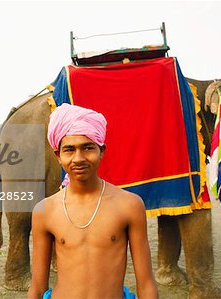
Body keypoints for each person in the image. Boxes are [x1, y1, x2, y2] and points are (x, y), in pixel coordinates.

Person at [27, 103, 159, 299]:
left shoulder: (129, 205)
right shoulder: (44, 211)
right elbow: (37, 287)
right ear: (58, 155)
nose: (78, 158)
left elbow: (146, 283)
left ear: (102, 151)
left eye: (88, 148)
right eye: (69, 150)